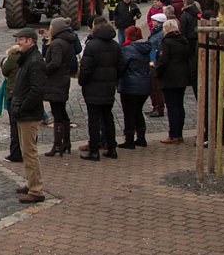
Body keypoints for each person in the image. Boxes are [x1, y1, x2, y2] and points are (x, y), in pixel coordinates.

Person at [9, 28, 46, 203]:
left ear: (30, 41)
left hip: (29, 113)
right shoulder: (28, 58)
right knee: (26, 150)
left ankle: (36, 190)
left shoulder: (35, 61)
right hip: (24, 111)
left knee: (29, 151)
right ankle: (30, 182)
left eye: (21, 39)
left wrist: (23, 107)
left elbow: (37, 90)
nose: (18, 42)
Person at [78, 17, 121, 161]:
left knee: (94, 120)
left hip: (93, 87)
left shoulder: (92, 45)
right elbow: (120, 66)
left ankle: (94, 150)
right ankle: (112, 148)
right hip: (109, 87)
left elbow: (85, 68)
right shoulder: (115, 45)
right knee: (108, 118)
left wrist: (82, 82)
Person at [42, 17, 77, 157]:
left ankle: (58, 144)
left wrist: (43, 69)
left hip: (56, 81)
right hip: (63, 79)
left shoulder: (57, 43)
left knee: (57, 112)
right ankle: (66, 142)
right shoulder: (67, 41)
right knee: (62, 111)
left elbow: (55, 63)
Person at [155, 19, 190, 144]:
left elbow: (163, 61)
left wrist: (156, 71)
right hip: (182, 76)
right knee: (179, 105)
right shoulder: (184, 41)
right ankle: (179, 133)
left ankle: (173, 134)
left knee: (172, 107)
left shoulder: (167, 42)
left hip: (169, 78)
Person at [118, 25, 152, 149]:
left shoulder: (128, 49)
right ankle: (141, 137)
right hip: (144, 84)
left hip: (130, 84)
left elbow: (122, 66)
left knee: (129, 112)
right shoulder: (146, 48)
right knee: (138, 111)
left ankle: (129, 139)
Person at [145, 13, 167, 118]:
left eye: (153, 21)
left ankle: (159, 108)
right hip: (152, 61)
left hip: (155, 62)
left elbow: (157, 48)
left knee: (156, 87)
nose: (151, 22)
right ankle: (155, 107)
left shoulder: (160, 34)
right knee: (152, 87)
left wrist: (153, 61)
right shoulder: (155, 32)